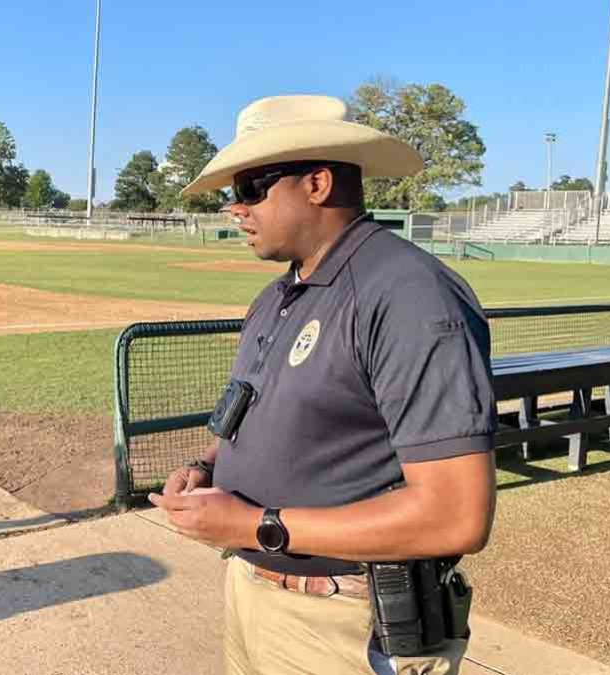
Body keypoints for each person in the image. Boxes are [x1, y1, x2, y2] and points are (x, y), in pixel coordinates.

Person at [148, 95, 497, 675]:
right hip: (255, 594)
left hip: (346, 621)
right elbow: (260, 414)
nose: (236, 208)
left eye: (253, 186)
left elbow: (456, 515)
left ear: (317, 183)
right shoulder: (278, 297)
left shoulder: (407, 293)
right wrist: (206, 467)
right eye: (232, 192)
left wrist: (251, 525)